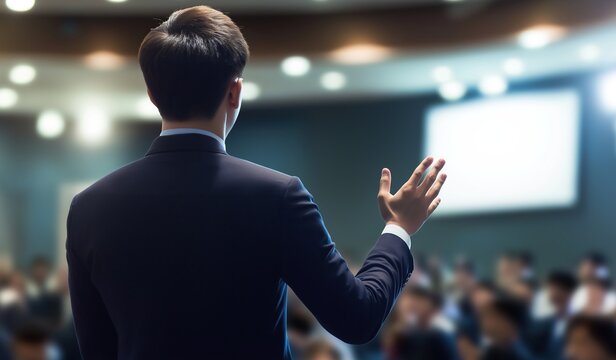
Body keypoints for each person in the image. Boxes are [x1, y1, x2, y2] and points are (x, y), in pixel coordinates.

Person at [65, 5, 448, 360]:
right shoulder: (277, 196)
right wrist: (398, 229)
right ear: (235, 92)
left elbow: (97, 351)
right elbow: (356, 318)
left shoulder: (88, 208)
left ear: (151, 93)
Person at [528, 271, 578, 360]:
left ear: (568, 292)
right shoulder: (541, 319)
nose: (549, 292)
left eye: (553, 288)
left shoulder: (578, 321)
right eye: (549, 288)